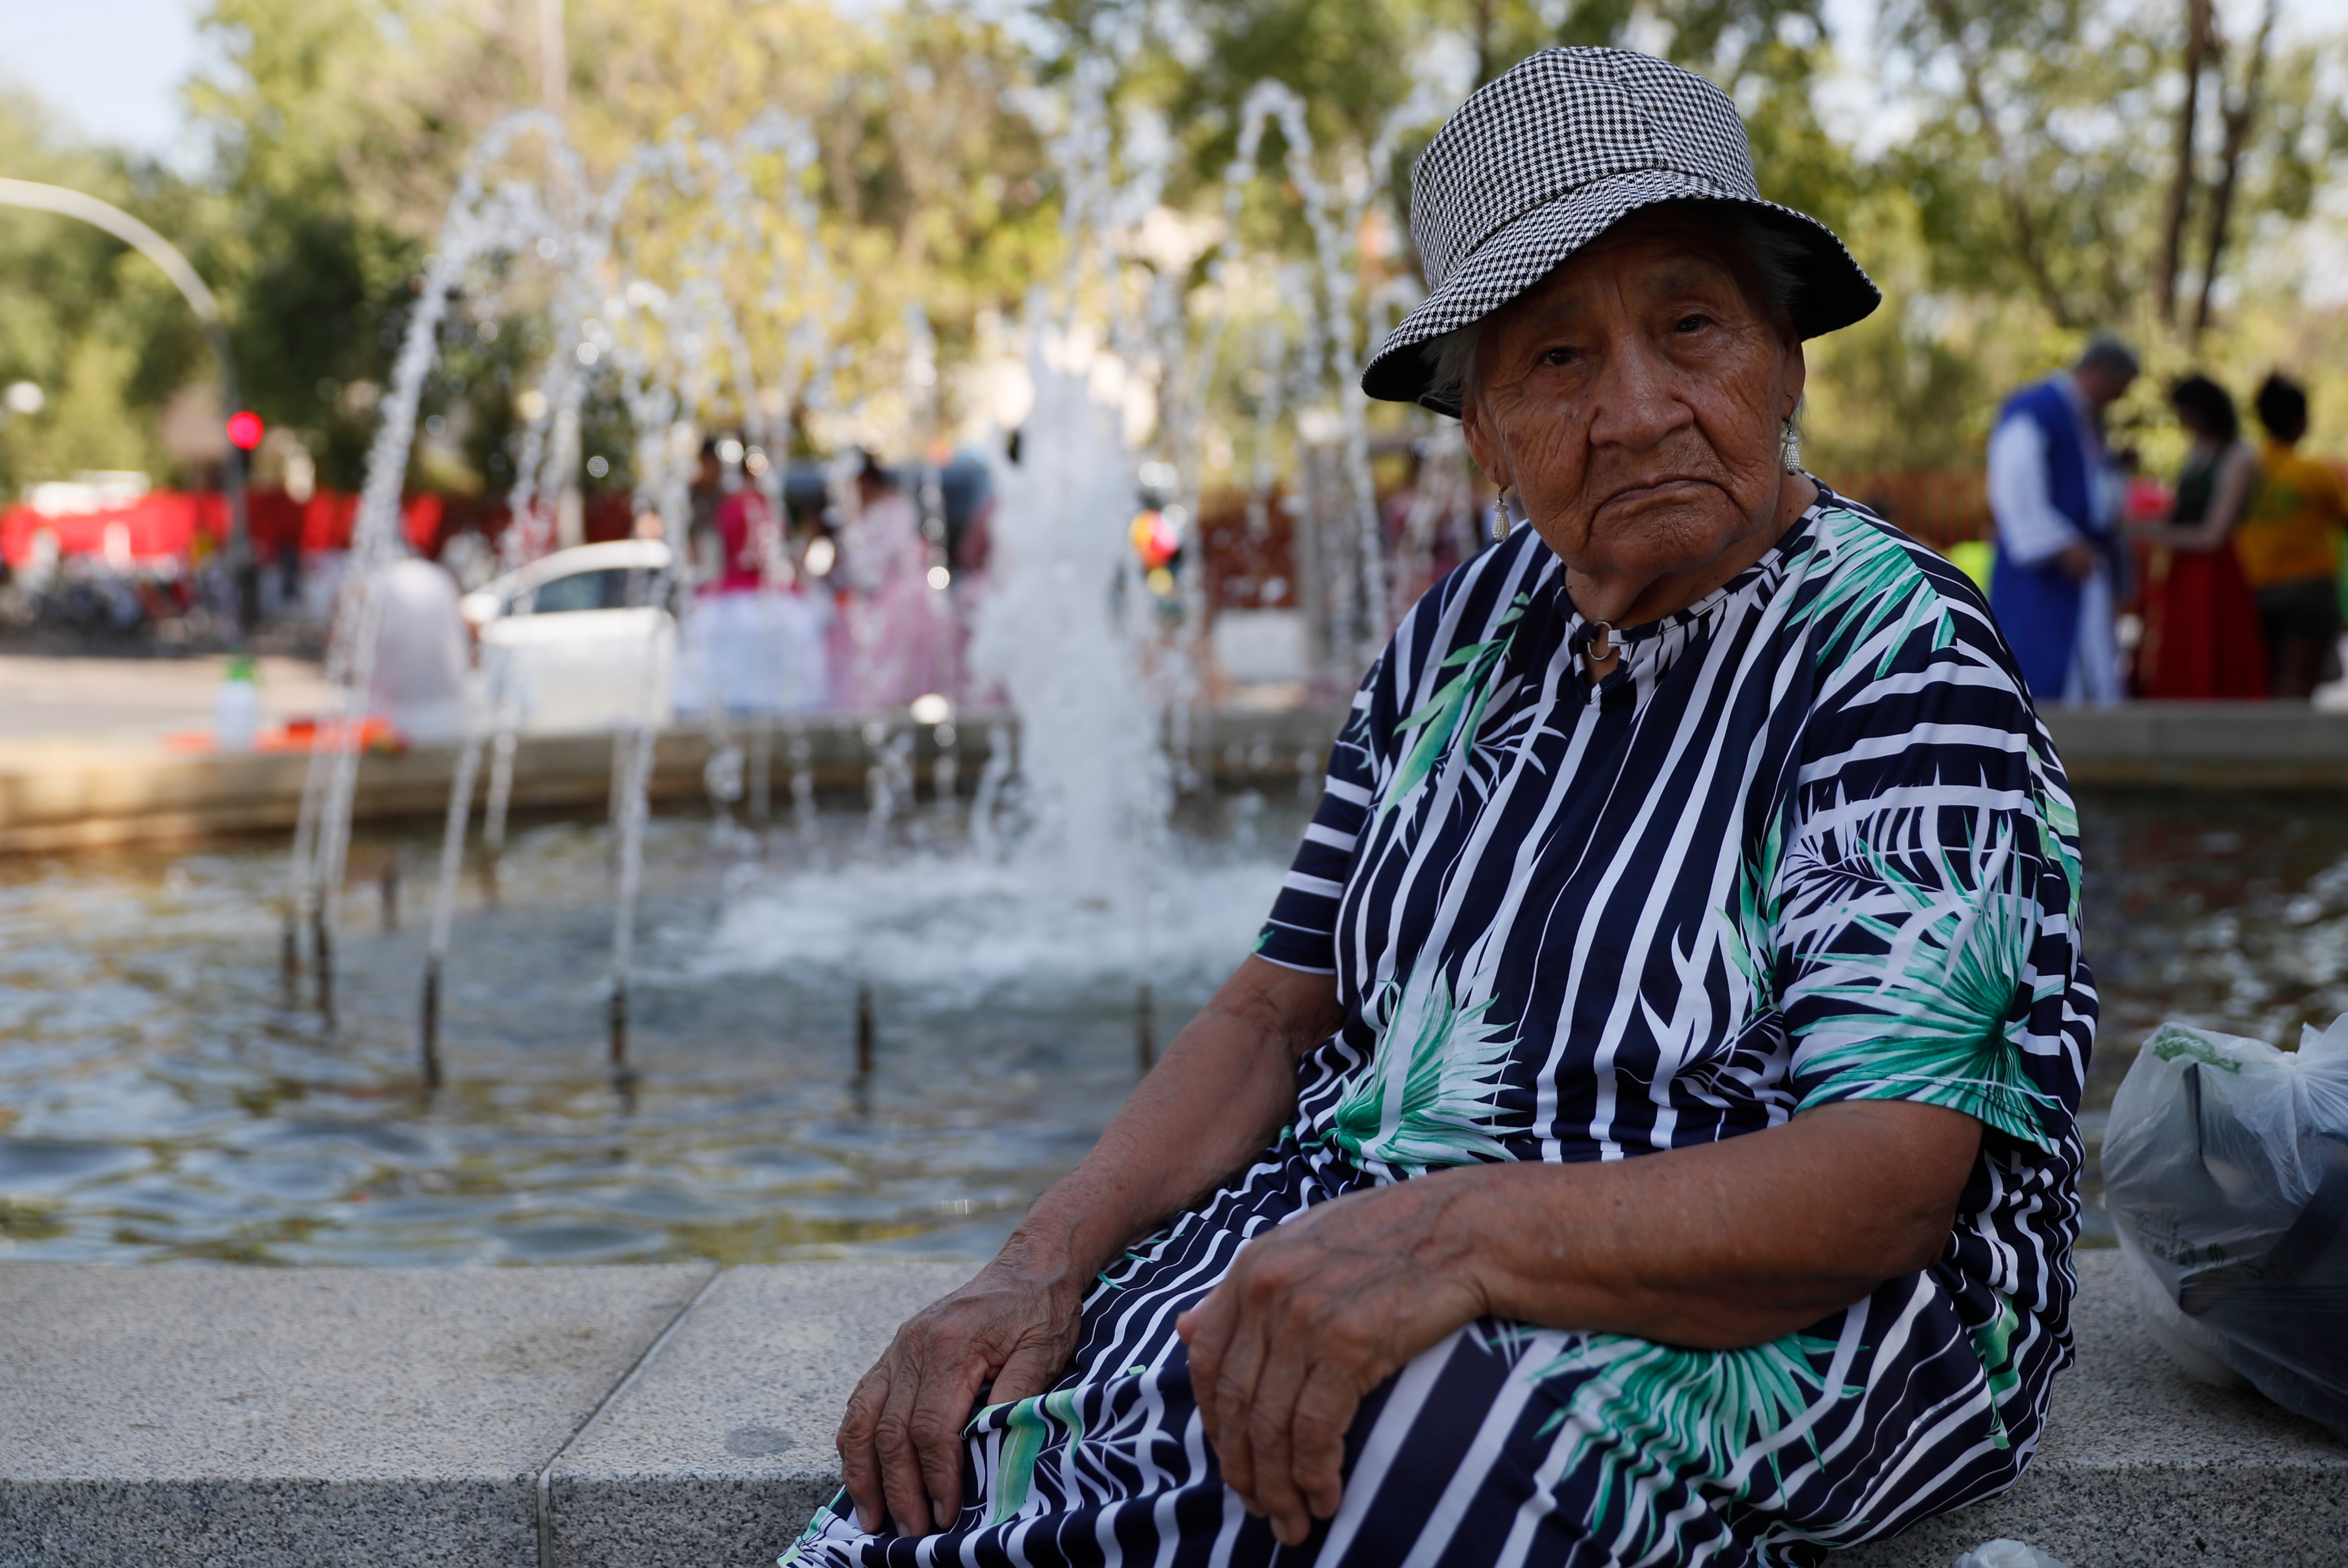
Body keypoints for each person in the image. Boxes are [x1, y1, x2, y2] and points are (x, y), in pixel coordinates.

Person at [796, 49, 2089, 1568]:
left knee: (1416, 1448)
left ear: (1784, 359)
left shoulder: (1894, 653)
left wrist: (1444, 1238)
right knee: (968, 1455)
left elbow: (1884, 1182)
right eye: (1554, 360)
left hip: (1794, 1294)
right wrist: (1037, 1260)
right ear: (1481, 433)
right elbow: (1277, 1016)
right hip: (1395, 1216)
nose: (1636, 409)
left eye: (1690, 326)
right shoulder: (1461, 633)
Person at [1986, 337, 2138, 705]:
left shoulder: (2085, 419)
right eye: (2116, 391)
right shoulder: (2037, 408)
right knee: (2039, 673)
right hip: (2045, 568)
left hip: (2081, 563)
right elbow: (2015, 482)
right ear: (2099, 374)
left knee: (2089, 673)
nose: (2116, 402)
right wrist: (2060, 544)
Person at [2132, 375, 2269, 700]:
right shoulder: (2199, 450)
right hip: (2183, 570)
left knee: (2213, 654)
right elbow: (2181, 513)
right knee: (2180, 651)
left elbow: (2213, 535)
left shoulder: (2239, 457)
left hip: (2216, 573)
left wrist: (2154, 532)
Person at [2238, 374, 2348, 697]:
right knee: (2297, 687)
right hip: (2307, 591)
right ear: (2301, 421)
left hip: (2252, 588)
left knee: (2263, 681)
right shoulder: (2315, 473)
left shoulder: (2245, 468)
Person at [826, 451, 957, 710]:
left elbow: (888, 555)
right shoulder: (860, 513)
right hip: (874, 597)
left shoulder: (895, 507)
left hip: (898, 596)